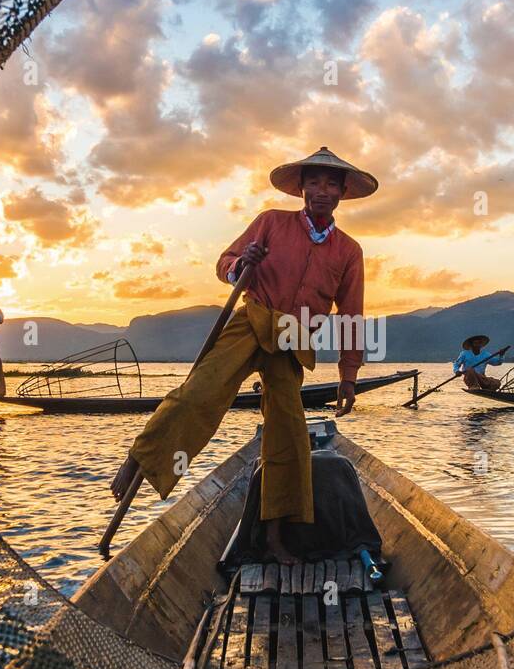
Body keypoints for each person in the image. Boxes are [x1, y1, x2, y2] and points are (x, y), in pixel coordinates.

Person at [110, 146, 375, 562]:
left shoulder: (348, 250)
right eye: (314, 182)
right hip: (252, 318)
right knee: (201, 393)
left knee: (289, 435)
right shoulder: (272, 222)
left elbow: (352, 315)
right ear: (301, 189)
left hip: (292, 338)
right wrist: (240, 264)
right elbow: (225, 263)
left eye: (330, 184)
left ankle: (274, 537)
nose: (322, 191)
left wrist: (348, 376)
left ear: (342, 193)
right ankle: (140, 457)